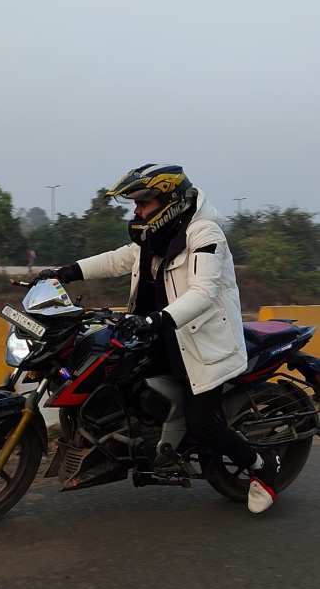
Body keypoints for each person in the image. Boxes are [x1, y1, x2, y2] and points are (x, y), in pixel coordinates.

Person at [34, 164, 281, 514]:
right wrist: (64, 272)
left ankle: (262, 467)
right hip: (158, 333)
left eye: (143, 203)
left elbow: (205, 292)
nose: (136, 211)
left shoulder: (205, 234)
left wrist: (158, 318)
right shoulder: (154, 235)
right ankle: (147, 441)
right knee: (119, 376)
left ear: (170, 201)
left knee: (204, 423)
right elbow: (120, 259)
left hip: (202, 343)